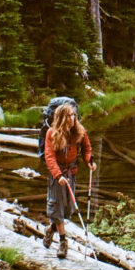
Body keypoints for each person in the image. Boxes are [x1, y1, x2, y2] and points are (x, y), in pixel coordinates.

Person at [43, 102, 97, 258]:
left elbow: (87, 148)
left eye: (74, 115)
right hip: (57, 176)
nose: (73, 118)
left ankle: (50, 229)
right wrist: (58, 175)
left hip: (71, 173)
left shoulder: (79, 132)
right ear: (61, 117)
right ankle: (62, 242)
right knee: (57, 206)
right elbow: (49, 156)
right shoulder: (52, 133)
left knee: (68, 209)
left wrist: (89, 161)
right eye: (69, 116)